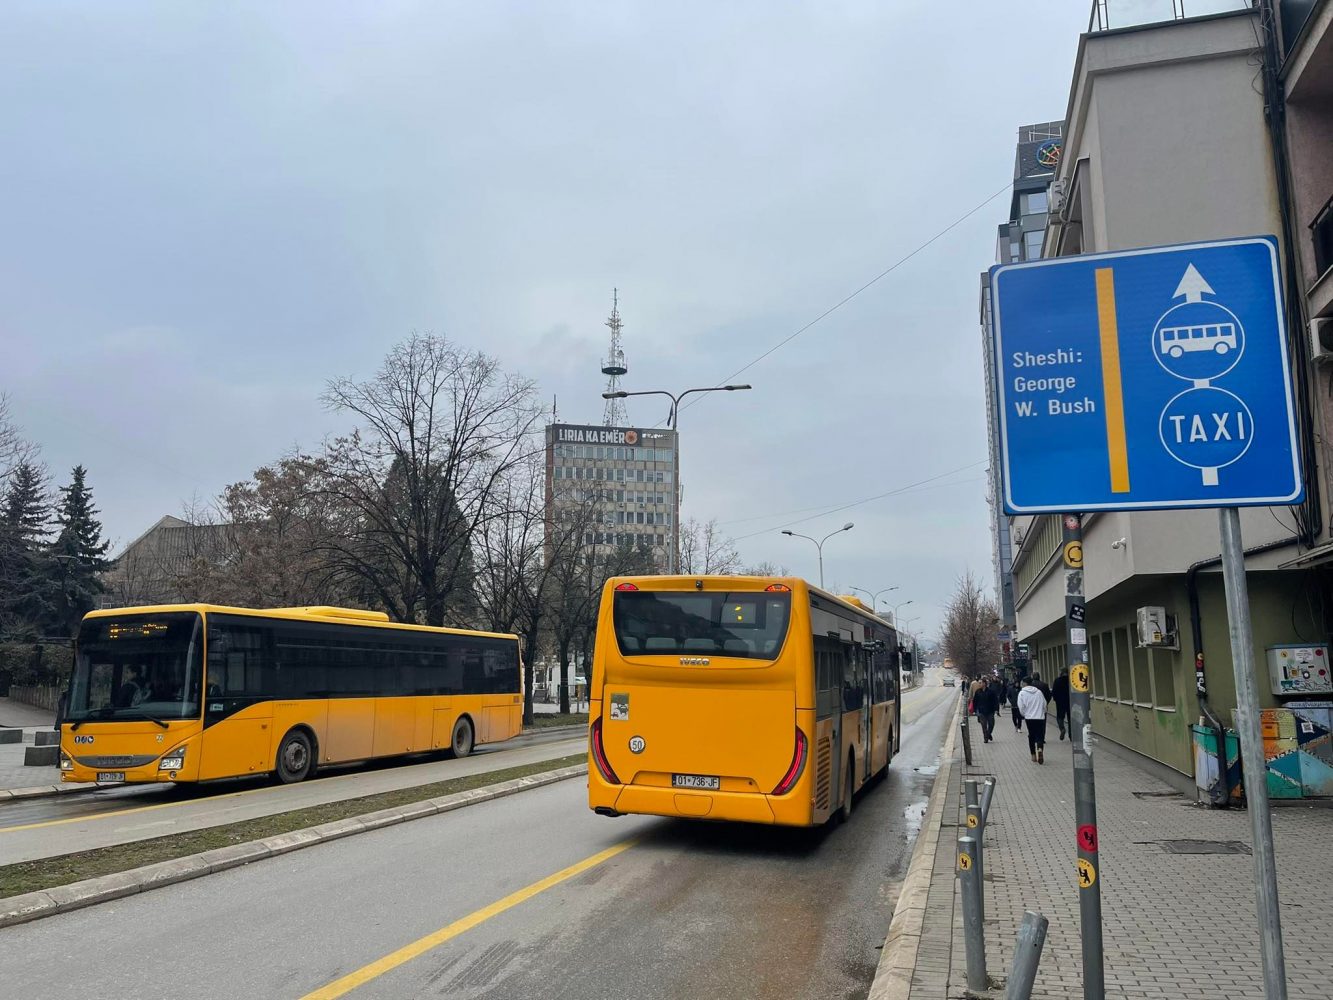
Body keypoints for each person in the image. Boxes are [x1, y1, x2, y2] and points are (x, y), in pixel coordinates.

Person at [1017, 676, 1050, 763]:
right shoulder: (1039, 692)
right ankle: (1040, 749)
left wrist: (1024, 714)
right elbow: (1044, 704)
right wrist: (1043, 712)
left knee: (1031, 735)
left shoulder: (1022, 693)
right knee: (1040, 735)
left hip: (1029, 718)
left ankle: (1033, 755)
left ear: (1024, 683)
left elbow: (1021, 707)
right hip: (1040, 717)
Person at [973, 677, 1000, 743]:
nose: (979, 684)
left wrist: (996, 709)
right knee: (984, 725)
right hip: (982, 711)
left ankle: (988, 734)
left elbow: (995, 701)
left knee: (991, 724)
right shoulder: (978, 692)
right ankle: (986, 738)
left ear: (984, 683)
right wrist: (975, 710)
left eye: (981, 683)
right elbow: (975, 701)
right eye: (979, 683)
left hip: (990, 710)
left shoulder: (991, 692)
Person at [1051, 667, 1071, 740]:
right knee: (1070, 719)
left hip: (1060, 702)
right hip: (1070, 702)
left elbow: (1054, 691)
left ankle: (1062, 729)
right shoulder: (1070, 680)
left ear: (1061, 672)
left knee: (1060, 717)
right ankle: (1071, 735)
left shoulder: (1057, 680)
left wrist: (1055, 699)